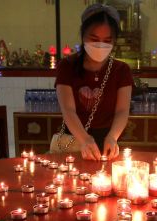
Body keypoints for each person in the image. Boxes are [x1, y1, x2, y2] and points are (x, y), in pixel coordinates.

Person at [55, 4, 133, 160]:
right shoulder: (67, 66)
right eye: (94, 39)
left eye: (107, 40)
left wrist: (112, 137)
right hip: (75, 139)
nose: (100, 45)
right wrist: (85, 139)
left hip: (109, 141)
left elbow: (122, 111)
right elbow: (68, 110)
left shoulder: (121, 70)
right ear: (83, 36)